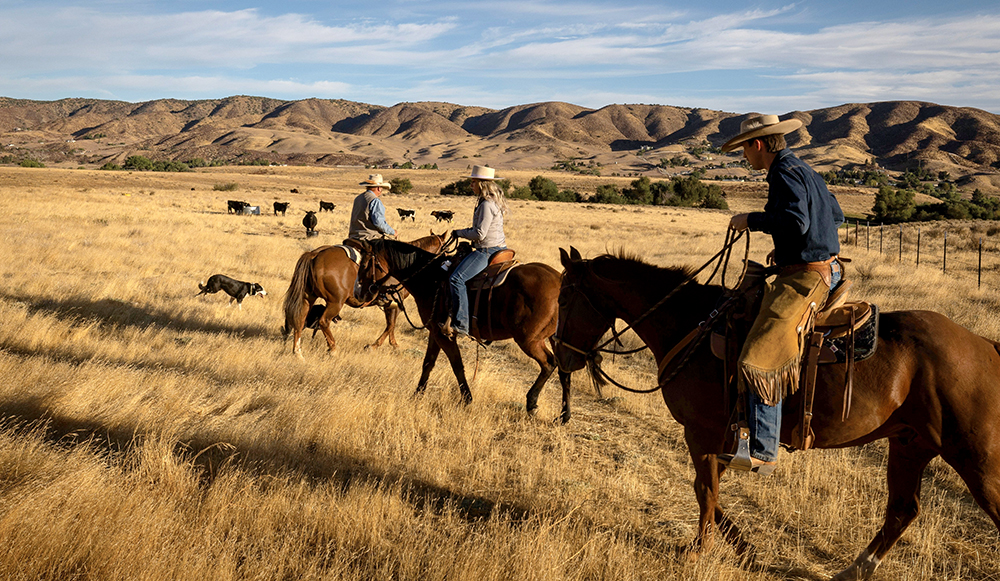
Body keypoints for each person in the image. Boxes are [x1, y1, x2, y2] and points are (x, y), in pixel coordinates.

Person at [717, 114, 845, 474]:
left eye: (744, 148)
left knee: (759, 354)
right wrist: (790, 251)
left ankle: (763, 450)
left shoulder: (784, 173)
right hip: (813, 264)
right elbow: (835, 215)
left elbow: (796, 222)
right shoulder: (803, 169)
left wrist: (751, 220)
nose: (744, 156)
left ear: (758, 145)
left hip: (809, 277)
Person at [440, 165, 508, 338]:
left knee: (456, 279)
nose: (471, 185)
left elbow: (479, 234)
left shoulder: (486, 204)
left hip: (487, 250)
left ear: (482, 184)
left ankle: (461, 324)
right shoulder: (493, 201)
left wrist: (458, 233)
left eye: (473, 182)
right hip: (501, 247)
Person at [348, 174, 396, 240]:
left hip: (354, 236)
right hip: (369, 237)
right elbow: (378, 222)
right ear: (379, 188)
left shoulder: (358, 198)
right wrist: (392, 232)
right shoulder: (375, 201)